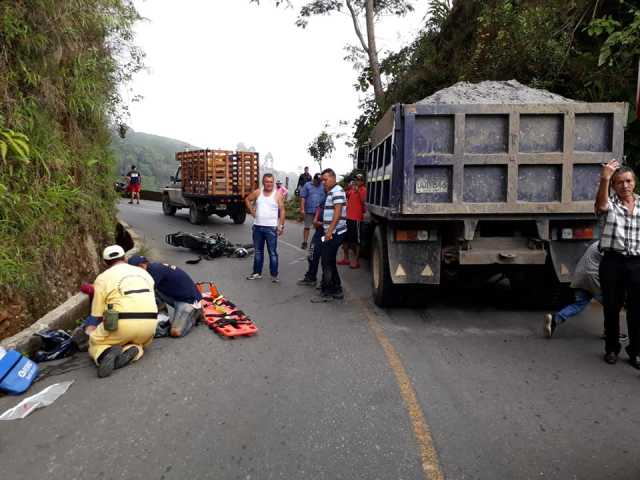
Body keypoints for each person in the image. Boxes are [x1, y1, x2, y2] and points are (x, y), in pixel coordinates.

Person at [86, 245, 158, 378]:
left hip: (121, 324)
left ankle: (105, 354)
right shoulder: (144, 273)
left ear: (105, 263)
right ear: (125, 258)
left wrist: (91, 331)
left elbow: (96, 313)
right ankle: (135, 350)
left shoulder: (102, 278)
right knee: (139, 343)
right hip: (150, 325)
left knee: (94, 341)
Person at [595, 159, 640, 367]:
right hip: (613, 261)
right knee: (612, 307)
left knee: (637, 308)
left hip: (636, 263)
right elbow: (601, 205)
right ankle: (612, 349)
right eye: (620, 182)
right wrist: (605, 177)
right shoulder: (610, 204)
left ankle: (636, 352)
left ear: (634, 182)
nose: (625, 185)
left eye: (629, 181)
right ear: (614, 186)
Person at [128, 256, 202, 337]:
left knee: (175, 332)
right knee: (153, 291)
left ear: (142, 266)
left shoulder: (154, 271)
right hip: (176, 296)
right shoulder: (150, 268)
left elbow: (143, 295)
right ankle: (162, 317)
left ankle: (195, 314)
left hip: (189, 301)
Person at [311, 168, 347, 303]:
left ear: (333, 178)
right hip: (332, 231)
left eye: (325, 180)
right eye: (322, 180)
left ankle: (326, 292)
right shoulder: (332, 191)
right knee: (330, 261)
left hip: (334, 232)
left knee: (326, 261)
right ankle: (337, 289)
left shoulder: (337, 191)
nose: (323, 183)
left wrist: (329, 232)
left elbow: (337, 214)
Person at [245, 173, 286, 282]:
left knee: (272, 252)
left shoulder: (277, 194)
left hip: (271, 229)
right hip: (257, 227)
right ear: (263, 182)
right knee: (258, 251)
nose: (269, 184)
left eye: (271, 182)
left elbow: (282, 210)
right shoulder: (258, 192)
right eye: (267, 181)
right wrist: (252, 211)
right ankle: (257, 273)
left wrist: (281, 225)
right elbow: (247, 199)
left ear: (273, 183)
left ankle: (274, 275)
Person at [338, 173, 367, 269]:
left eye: (359, 180)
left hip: (357, 219)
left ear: (362, 181)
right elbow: (344, 195)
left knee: (356, 241)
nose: (357, 181)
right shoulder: (351, 190)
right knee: (345, 240)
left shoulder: (363, 190)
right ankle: (346, 259)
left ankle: (356, 261)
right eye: (356, 180)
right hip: (348, 218)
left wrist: (358, 190)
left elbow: (363, 202)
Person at [297, 206, 324, 287]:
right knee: (312, 254)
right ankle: (311, 277)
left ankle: (327, 283)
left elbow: (339, 217)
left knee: (327, 259)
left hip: (329, 231)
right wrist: (315, 219)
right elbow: (319, 208)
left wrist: (323, 223)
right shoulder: (324, 196)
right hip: (319, 230)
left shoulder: (337, 195)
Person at [299, 173, 326, 249]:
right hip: (309, 210)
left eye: (320, 181)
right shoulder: (307, 185)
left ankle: (321, 243)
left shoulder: (323, 186)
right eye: (317, 180)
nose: (319, 182)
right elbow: (303, 197)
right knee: (307, 227)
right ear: (314, 179)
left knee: (320, 228)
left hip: (320, 211)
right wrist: (302, 208)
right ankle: (305, 242)